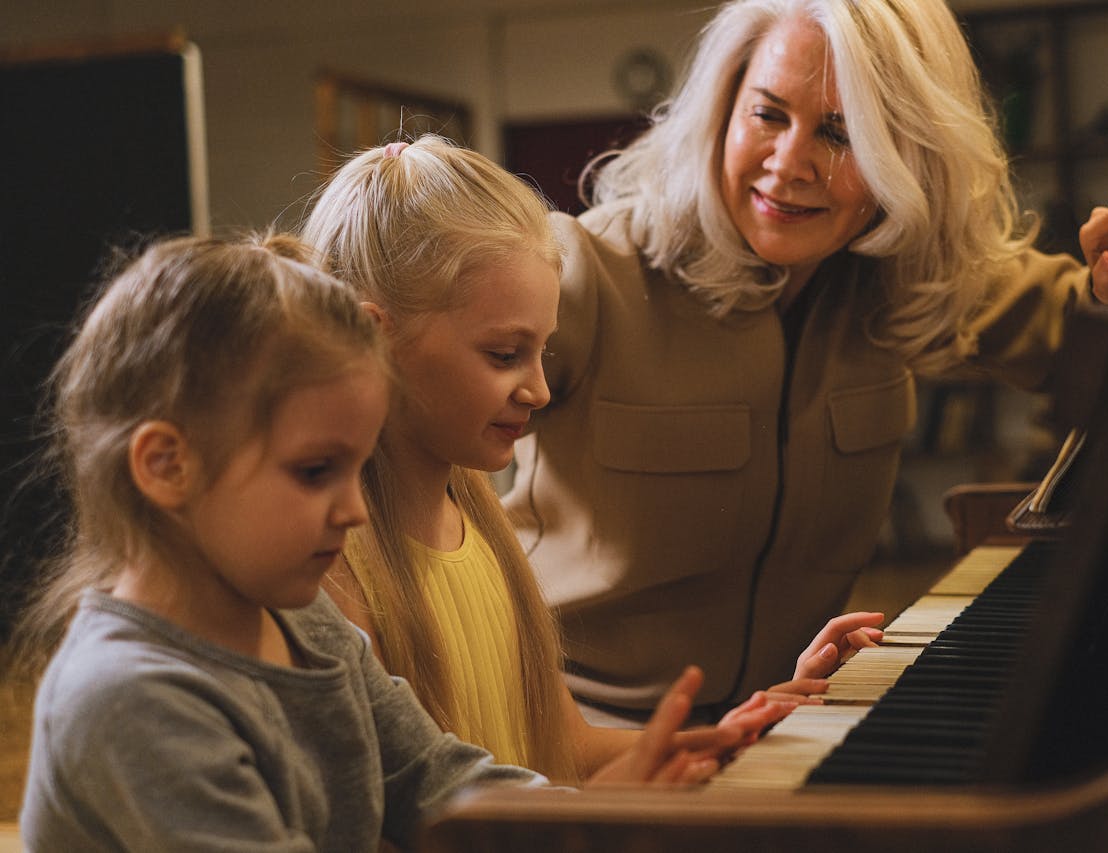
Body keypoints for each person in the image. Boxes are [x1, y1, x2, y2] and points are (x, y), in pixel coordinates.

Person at [500, 0, 1108, 725]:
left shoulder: (906, 275)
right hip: (579, 729)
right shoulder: (582, 269)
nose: (789, 164)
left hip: (786, 720)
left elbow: (1081, 333)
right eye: (767, 115)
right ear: (723, 109)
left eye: (840, 132)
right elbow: (407, 450)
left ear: (907, 155)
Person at [11, 233, 740, 852]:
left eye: (358, 468)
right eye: (315, 470)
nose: (355, 509)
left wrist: (583, 813)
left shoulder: (299, 617)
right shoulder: (133, 698)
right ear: (168, 465)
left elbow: (440, 780)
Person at [299, 134, 814, 784]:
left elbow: (562, 748)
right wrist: (606, 806)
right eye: (504, 354)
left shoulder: (487, 531)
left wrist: (738, 733)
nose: (540, 389)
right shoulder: (331, 571)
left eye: (543, 352)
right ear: (376, 338)